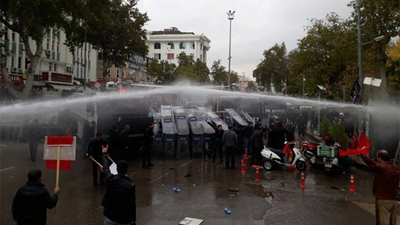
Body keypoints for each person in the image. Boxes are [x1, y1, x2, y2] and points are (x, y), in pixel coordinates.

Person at [361, 150, 400, 225]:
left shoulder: (383, 168)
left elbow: (372, 163)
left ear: (380, 158)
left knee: (383, 221)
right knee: (392, 222)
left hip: (383, 199)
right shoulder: (397, 168)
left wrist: (363, 155)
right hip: (393, 199)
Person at [101, 146, 136, 225]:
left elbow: (105, 168)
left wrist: (104, 154)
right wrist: (133, 219)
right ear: (127, 170)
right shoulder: (130, 185)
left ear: (116, 169)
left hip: (110, 217)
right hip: (123, 219)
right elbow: (132, 204)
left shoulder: (110, 179)